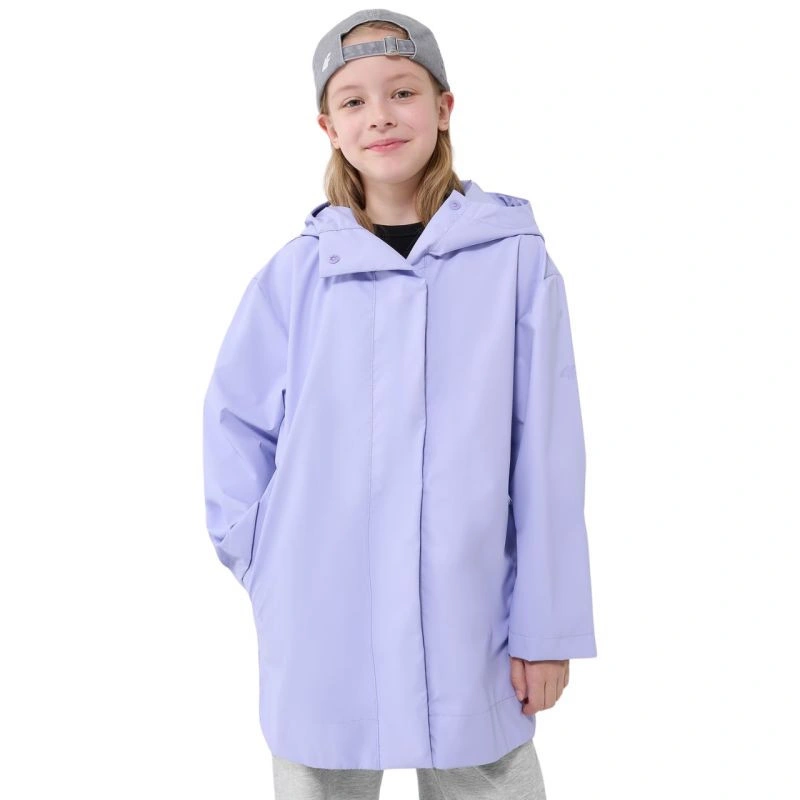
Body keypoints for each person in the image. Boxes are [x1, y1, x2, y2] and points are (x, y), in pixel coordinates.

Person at [202, 8, 597, 799]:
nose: (379, 115)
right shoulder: (297, 276)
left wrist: (545, 625)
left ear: (444, 108)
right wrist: (265, 554)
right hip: (321, 608)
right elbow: (235, 427)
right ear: (329, 128)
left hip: (470, 609)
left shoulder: (514, 262)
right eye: (353, 101)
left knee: (487, 771)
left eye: (403, 92)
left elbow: (547, 452)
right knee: (321, 771)